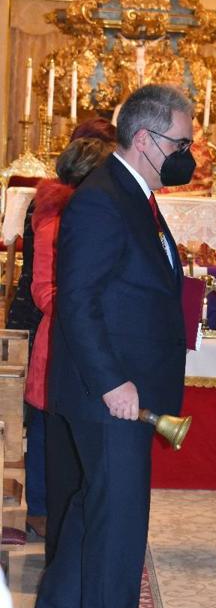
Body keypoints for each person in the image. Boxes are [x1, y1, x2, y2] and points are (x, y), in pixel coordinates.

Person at [29, 84, 195, 608]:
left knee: (90, 501)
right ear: (147, 140)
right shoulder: (103, 199)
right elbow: (77, 300)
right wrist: (113, 384)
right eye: (181, 140)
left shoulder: (134, 192)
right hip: (111, 388)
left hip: (121, 380)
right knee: (120, 510)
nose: (188, 151)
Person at [7, 119, 116, 540]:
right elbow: (45, 290)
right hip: (60, 341)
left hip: (72, 338)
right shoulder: (58, 217)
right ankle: (43, 509)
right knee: (50, 427)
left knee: (59, 428)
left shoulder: (78, 212)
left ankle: (60, 508)